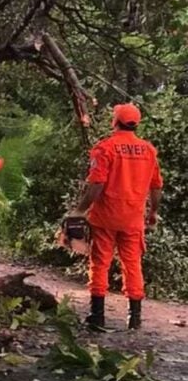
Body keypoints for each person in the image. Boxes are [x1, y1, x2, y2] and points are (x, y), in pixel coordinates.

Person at [72, 103, 163, 331]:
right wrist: (153, 212)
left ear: (115, 121)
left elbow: (97, 184)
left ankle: (97, 316)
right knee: (132, 264)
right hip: (133, 218)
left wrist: (80, 210)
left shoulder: (106, 148)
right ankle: (134, 319)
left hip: (105, 217)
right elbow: (156, 187)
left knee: (100, 263)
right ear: (136, 123)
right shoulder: (149, 150)